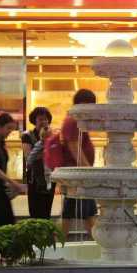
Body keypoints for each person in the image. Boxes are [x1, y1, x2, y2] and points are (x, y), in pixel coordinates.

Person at [61, 89, 98, 239]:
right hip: (79, 176)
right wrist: (88, 171)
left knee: (83, 213)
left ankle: (97, 243)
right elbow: (74, 148)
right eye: (90, 105)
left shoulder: (77, 120)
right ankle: (55, 244)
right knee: (81, 213)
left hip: (78, 176)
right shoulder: (73, 121)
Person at [22, 107, 55, 219]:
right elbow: (29, 158)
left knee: (47, 211)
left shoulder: (52, 135)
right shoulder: (28, 135)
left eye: (46, 119)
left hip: (49, 178)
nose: (44, 122)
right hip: (35, 179)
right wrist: (46, 151)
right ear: (34, 121)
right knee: (35, 211)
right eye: (40, 119)